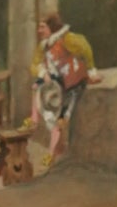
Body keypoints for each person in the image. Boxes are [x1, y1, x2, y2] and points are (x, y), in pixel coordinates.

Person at [30, 12, 96, 162]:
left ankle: (53, 153)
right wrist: (43, 72)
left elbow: (85, 47)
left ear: (52, 28)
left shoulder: (67, 39)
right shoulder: (44, 46)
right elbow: (34, 64)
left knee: (61, 119)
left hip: (72, 84)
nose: (39, 30)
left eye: (42, 27)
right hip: (56, 84)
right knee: (38, 92)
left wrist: (91, 71)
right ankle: (36, 124)